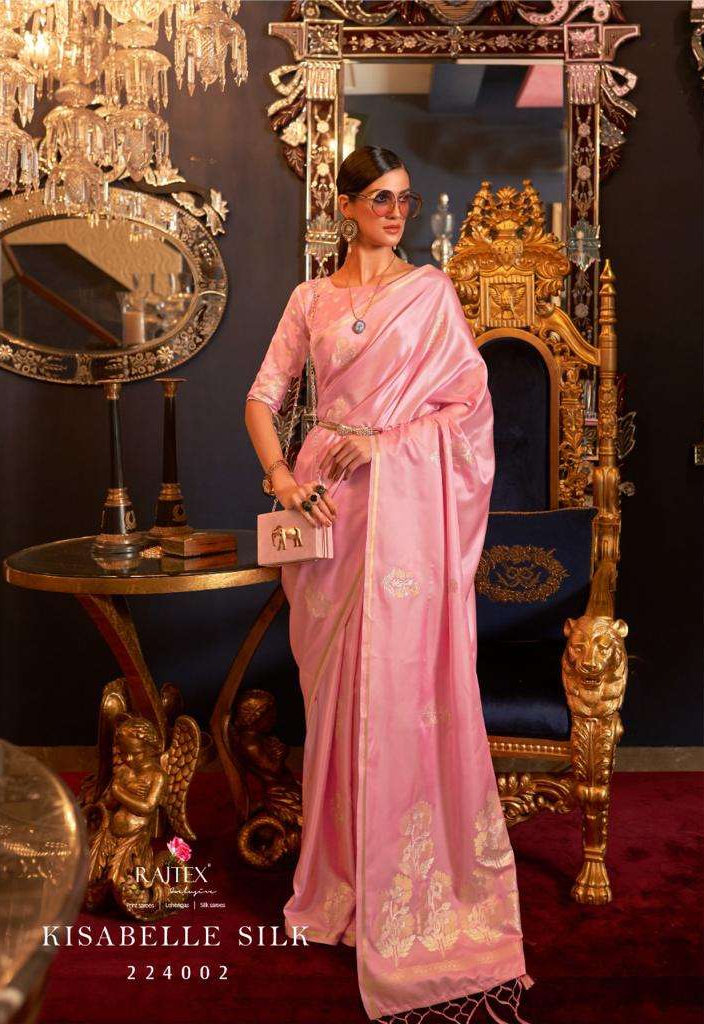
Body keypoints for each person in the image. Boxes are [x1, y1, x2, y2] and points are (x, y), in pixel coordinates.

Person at [245, 145, 534, 1024]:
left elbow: (468, 409)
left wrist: (387, 444)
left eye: (405, 199)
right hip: (327, 511)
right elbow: (263, 396)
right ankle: (338, 881)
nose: (396, 212)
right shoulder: (311, 299)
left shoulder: (431, 293)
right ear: (344, 205)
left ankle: (405, 883)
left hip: (404, 510)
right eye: (379, 198)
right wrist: (283, 479)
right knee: (336, 694)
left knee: (399, 692)